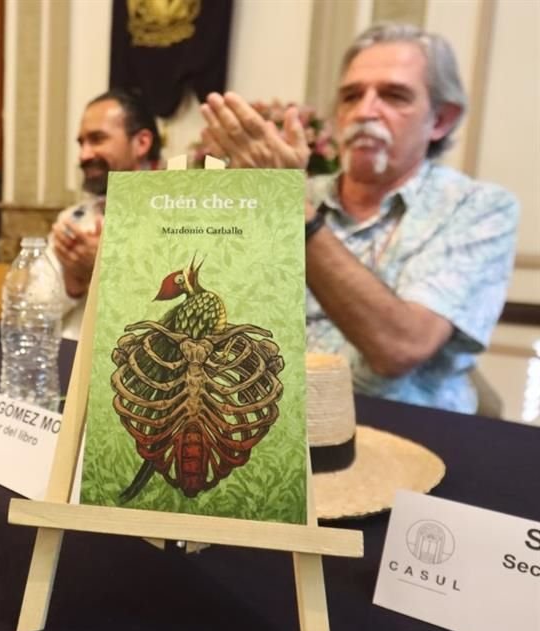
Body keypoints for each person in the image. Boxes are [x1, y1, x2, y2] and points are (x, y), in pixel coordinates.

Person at [199, 23, 519, 413]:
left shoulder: (478, 208)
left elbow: (400, 348)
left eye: (394, 96)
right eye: (351, 96)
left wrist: (294, 211)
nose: (365, 112)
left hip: (413, 429)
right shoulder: (299, 193)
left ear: (441, 120)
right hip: (276, 420)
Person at [48, 89, 161, 339]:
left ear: (142, 143)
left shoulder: (176, 220)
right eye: (81, 143)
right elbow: (29, 307)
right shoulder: (74, 219)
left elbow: (172, 322)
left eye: (97, 139)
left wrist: (105, 269)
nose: (84, 155)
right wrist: (72, 283)